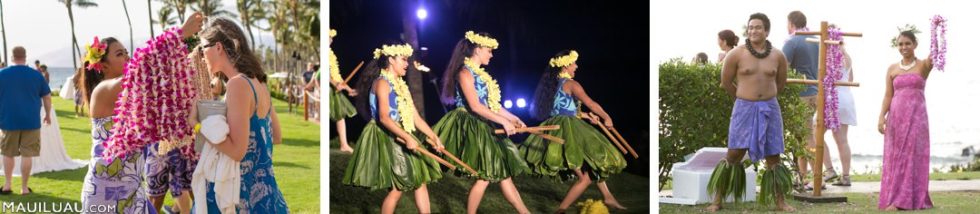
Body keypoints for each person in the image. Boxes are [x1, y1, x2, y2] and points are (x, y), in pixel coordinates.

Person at [194, 17, 288, 212]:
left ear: (218, 47)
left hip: (241, 196)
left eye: (203, 49)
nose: (202, 57)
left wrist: (197, 125)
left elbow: (237, 152)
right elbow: (276, 137)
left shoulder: (237, 84)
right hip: (267, 194)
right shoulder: (259, 83)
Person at [433, 31, 531, 214]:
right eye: (489, 50)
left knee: (499, 174)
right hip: (472, 124)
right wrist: (503, 121)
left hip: (484, 122)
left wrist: (512, 118)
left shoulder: (482, 75)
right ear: (477, 49)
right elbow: (475, 106)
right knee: (487, 176)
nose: (491, 55)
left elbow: (492, 105)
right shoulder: (464, 72)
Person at [520, 50, 628, 212]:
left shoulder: (551, 86)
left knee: (591, 163)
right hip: (568, 131)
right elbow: (591, 103)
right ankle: (561, 210)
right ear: (565, 65)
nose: (576, 66)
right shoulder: (571, 84)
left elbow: (564, 111)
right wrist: (606, 116)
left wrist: (585, 116)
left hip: (558, 126)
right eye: (573, 63)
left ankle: (608, 197)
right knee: (584, 178)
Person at [707, 13, 794, 212]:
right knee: (734, 152)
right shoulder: (736, 54)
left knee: (773, 155)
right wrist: (742, 98)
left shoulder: (778, 56)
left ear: (767, 31)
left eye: (758, 27)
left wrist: (765, 98)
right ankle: (717, 199)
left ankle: (780, 202)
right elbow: (726, 82)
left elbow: (780, 84)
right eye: (751, 27)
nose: (754, 31)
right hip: (744, 107)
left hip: (769, 108)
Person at [343, 42, 444, 214]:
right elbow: (384, 117)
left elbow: (415, 117)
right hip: (387, 135)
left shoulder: (401, 86)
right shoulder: (382, 83)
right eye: (403, 59)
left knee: (420, 182)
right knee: (398, 189)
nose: (407, 64)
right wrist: (407, 137)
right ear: (391, 59)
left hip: (401, 133)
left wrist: (434, 137)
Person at [877, 30, 934, 211]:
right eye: (900, 44)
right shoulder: (892, 68)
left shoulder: (924, 65)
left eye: (907, 43)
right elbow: (888, 95)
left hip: (917, 118)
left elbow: (938, 53)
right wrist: (881, 117)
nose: (904, 47)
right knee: (897, 157)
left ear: (915, 45)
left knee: (912, 157)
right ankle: (894, 198)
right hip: (896, 119)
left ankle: (905, 200)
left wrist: (936, 29)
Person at [782, 10, 827, 189]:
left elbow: (782, 67)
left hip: (800, 94)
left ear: (791, 23)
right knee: (802, 136)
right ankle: (803, 177)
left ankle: (818, 178)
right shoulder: (816, 40)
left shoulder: (792, 41)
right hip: (816, 92)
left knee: (806, 137)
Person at [0, 46, 52, 195]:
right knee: (27, 155)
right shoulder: (36, 75)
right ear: (25, 57)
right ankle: (24, 188)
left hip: (7, 121)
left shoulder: (1, 74)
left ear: (11, 57)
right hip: (31, 121)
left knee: (8, 153)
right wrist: (47, 114)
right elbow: (47, 97)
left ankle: (7, 185)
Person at [822, 40, 855, 187]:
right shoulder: (847, 56)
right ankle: (846, 176)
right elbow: (850, 79)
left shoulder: (828, 56)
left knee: (813, 134)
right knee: (843, 140)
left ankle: (829, 169)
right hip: (846, 97)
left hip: (833, 98)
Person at [328, 29, 358, 153]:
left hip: (333, 87)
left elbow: (337, 76)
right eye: (329, 37)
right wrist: (335, 85)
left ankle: (344, 144)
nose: (331, 39)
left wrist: (348, 89)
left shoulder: (330, 54)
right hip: (328, 88)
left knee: (339, 116)